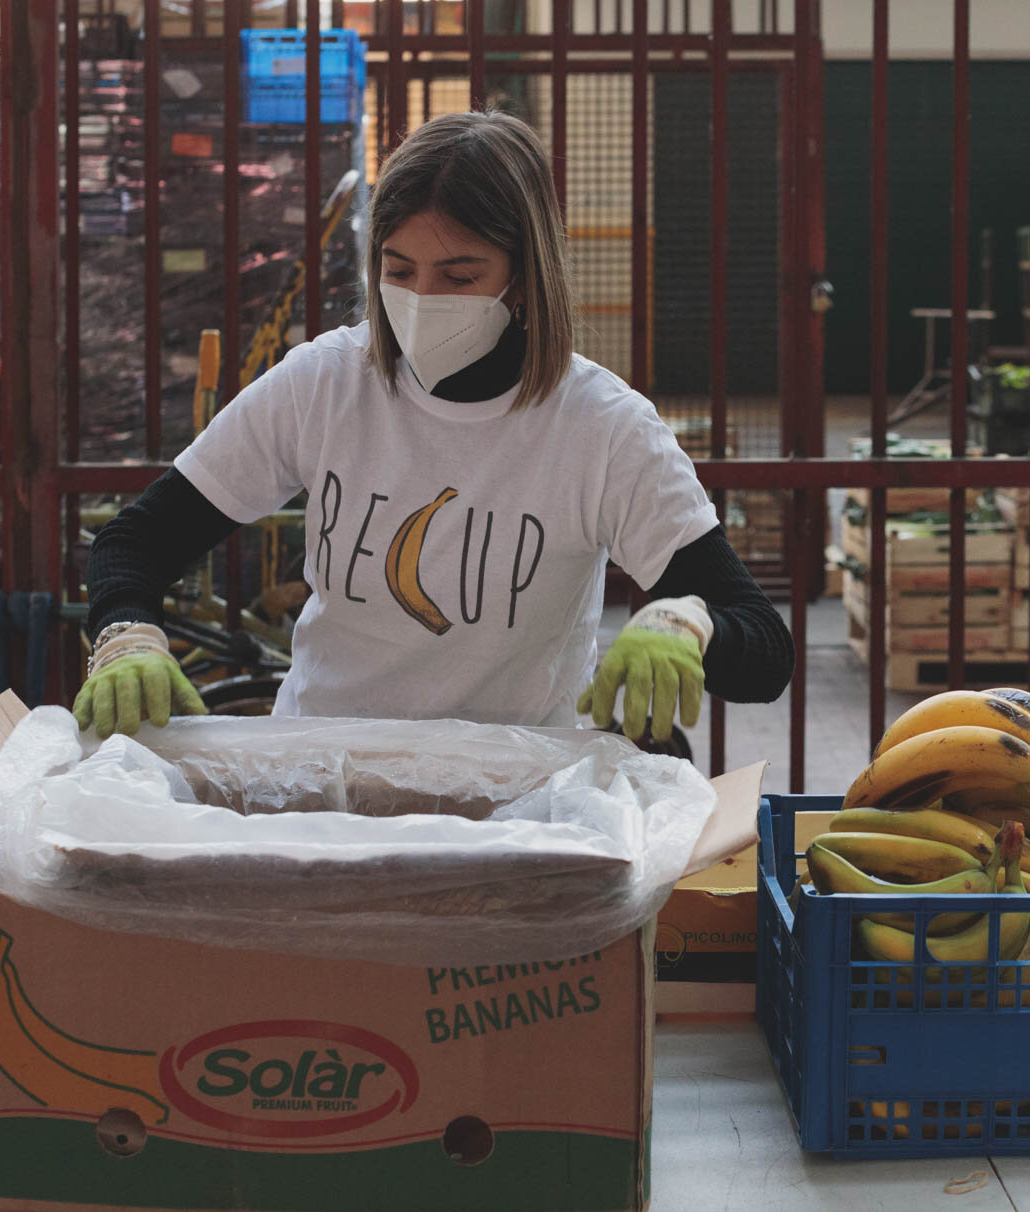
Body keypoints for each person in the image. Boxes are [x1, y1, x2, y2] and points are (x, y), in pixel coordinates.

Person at [76, 110, 792, 741]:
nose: (420, 299)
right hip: (325, 779)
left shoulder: (602, 429)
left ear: (523, 278)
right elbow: (137, 540)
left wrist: (685, 625)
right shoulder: (324, 384)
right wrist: (127, 633)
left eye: (458, 277)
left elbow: (764, 646)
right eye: (399, 269)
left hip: (512, 802)